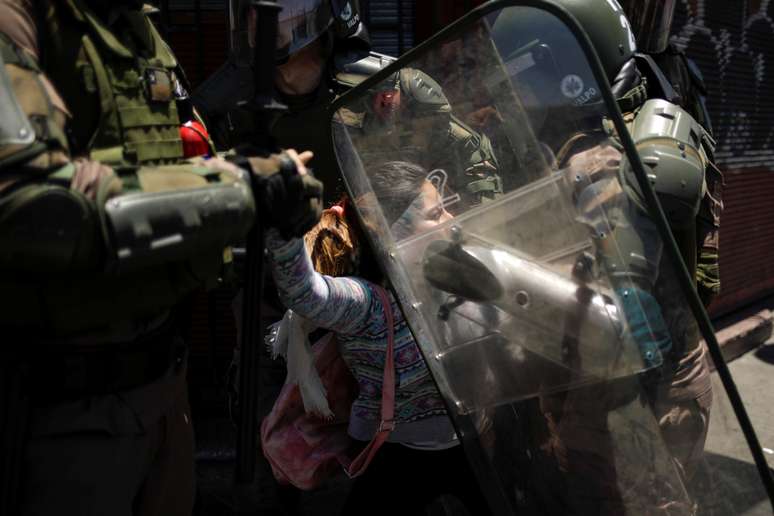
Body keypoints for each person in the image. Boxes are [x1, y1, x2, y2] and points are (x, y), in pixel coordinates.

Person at [0, 1, 323, 515]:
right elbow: (31, 207)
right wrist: (236, 191)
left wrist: (270, 189)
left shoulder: (136, 26)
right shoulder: (19, 17)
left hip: (163, 389)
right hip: (61, 410)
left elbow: (179, 162)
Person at [488, 1, 717, 511]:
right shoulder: (623, 134)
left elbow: (622, 316)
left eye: (520, 80)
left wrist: (496, 282)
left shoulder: (598, 164)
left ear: (560, 73)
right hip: (634, 388)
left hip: (630, 401)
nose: (513, 98)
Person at [265, 160, 492, 516]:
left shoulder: (457, 272)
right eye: (435, 214)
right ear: (390, 233)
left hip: (473, 445)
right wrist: (285, 219)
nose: (452, 220)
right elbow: (304, 294)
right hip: (400, 456)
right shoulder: (367, 304)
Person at [195, 0, 500, 206]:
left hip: (385, 267)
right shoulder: (227, 108)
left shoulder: (389, 89)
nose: (261, 20)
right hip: (284, 268)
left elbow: (473, 158)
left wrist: (474, 232)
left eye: (284, 8)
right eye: (252, 10)